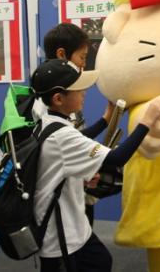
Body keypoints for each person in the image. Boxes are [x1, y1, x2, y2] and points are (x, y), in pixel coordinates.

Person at [30, 59, 160, 272]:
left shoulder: (49, 122)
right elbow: (117, 158)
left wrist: (106, 119)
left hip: (73, 228)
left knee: (101, 261)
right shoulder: (61, 136)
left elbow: (77, 142)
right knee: (98, 263)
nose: (84, 92)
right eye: (78, 89)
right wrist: (147, 122)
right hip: (61, 238)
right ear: (58, 99)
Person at [43, 22, 111, 225]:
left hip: (76, 186)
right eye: (82, 57)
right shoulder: (47, 99)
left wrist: (105, 120)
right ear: (62, 54)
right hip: (60, 199)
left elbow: (75, 137)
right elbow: (66, 140)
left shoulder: (61, 91)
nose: (83, 64)